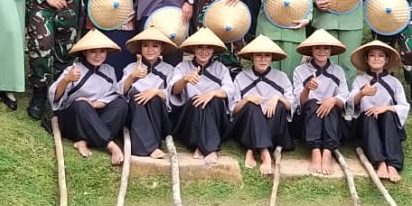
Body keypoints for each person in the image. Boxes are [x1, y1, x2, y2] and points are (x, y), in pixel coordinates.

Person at [49, 30, 128, 165]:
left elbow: (112, 96)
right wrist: (66, 80)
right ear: (85, 52)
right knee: (81, 105)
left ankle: (84, 140)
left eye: (102, 51)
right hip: (74, 118)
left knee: (121, 104)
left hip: (97, 114)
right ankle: (111, 146)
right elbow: (55, 98)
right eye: (93, 51)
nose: (97, 56)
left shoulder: (110, 70)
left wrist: (94, 104)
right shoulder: (74, 69)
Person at [170, 28, 238, 166]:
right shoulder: (182, 67)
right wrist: (185, 79)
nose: (204, 51)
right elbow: (174, 90)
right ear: (194, 49)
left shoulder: (220, 68)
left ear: (213, 50)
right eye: (200, 47)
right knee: (197, 100)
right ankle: (209, 148)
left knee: (213, 100)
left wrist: (212, 93)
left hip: (216, 117)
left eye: (208, 48)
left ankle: (202, 147)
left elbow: (230, 89)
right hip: (190, 118)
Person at [231, 35, 294, 175]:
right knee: (252, 107)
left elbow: (291, 106)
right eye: (259, 55)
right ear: (252, 57)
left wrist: (278, 97)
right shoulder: (241, 77)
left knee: (279, 106)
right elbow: (233, 110)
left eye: (267, 56)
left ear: (272, 58)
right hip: (246, 124)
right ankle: (265, 153)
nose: (263, 59)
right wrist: (247, 99)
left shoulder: (281, 77)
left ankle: (252, 149)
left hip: (274, 125)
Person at [349, 41, 410, 183]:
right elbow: (350, 104)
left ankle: (393, 164)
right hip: (366, 123)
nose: (376, 58)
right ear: (366, 59)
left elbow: (404, 106)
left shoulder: (394, 82)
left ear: (386, 59)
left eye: (380, 56)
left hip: (387, 124)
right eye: (372, 55)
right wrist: (362, 93)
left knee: (388, 114)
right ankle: (380, 162)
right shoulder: (359, 80)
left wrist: (386, 108)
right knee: (368, 114)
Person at [292, 30, 350, 176]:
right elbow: (300, 102)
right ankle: (315, 151)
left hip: (333, 118)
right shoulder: (300, 70)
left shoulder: (338, 71)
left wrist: (332, 100)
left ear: (331, 51)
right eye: (318, 48)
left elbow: (344, 98)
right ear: (311, 50)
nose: (322, 51)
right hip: (307, 117)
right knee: (312, 103)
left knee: (331, 104)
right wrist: (307, 88)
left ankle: (328, 152)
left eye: (326, 48)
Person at [120, 27, 179, 158]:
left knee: (154, 98)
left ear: (161, 49)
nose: (150, 49)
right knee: (136, 96)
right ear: (140, 48)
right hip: (135, 113)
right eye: (145, 46)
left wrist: (155, 91)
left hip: (160, 116)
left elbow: (173, 95)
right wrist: (132, 77)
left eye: (155, 46)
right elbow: (120, 92)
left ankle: (149, 144)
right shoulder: (131, 68)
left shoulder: (169, 69)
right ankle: (151, 147)